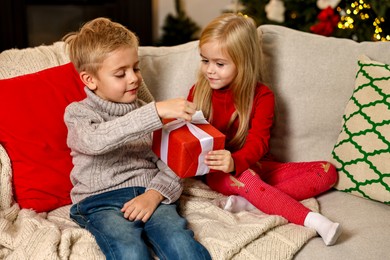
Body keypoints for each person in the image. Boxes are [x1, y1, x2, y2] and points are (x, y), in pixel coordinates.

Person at [187, 13, 342, 246]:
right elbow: (190, 139)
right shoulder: (198, 91)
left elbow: (258, 143)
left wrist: (236, 161)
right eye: (205, 60)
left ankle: (252, 202)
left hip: (254, 164)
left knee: (327, 171)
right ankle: (315, 221)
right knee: (247, 179)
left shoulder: (262, 96)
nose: (209, 70)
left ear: (244, 62)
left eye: (219, 64)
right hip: (218, 172)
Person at [63, 17, 211, 260]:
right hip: (99, 202)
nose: (133, 78)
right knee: (130, 250)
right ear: (90, 80)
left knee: (179, 241)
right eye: (120, 74)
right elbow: (95, 141)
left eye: (136, 68)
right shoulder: (78, 113)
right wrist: (155, 112)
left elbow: (173, 163)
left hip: (148, 193)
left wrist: (154, 195)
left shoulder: (147, 111)